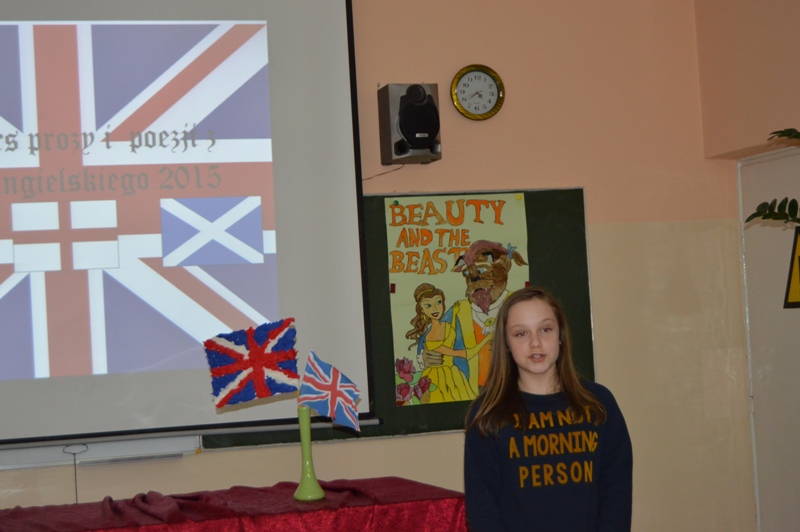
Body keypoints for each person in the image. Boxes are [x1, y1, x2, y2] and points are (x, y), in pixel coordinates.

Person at [463, 286, 632, 531]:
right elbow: (482, 511)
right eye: (521, 333)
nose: (535, 343)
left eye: (545, 329)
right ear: (507, 343)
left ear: (560, 334)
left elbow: (616, 496)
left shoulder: (599, 404)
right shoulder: (488, 414)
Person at [405, 283, 475, 403]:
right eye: (428, 305)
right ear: (422, 310)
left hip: (458, 375)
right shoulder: (428, 334)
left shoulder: (451, 318)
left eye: (438, 302)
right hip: (438, 376)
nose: (435, 308)